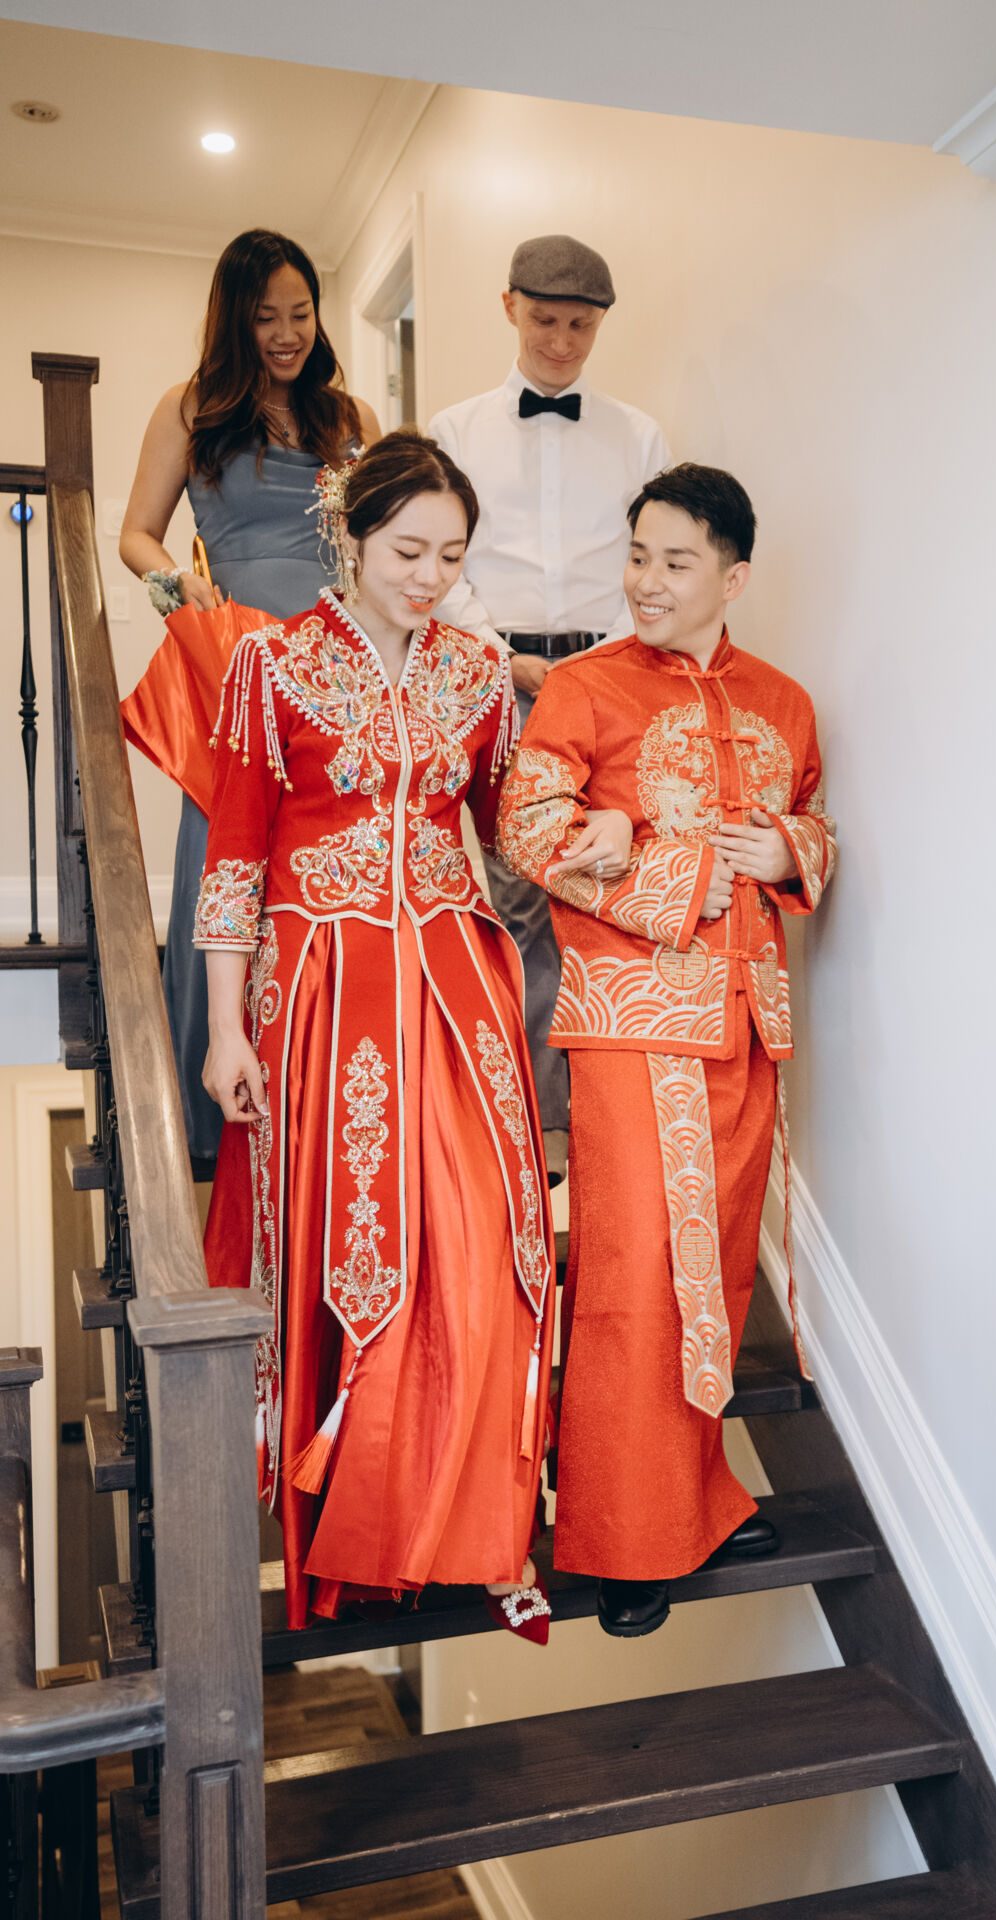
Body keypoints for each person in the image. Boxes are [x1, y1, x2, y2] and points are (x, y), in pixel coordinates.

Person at [198, 429, 555, 1637]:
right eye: (408, 550)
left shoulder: (478, 673)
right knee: (361, 1252)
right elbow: (235, 858)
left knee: (484, 1238)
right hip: (323, 989)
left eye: (451, 555)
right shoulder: (270, 667)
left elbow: (516, 832)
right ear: (349, 537)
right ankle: (365, 1532)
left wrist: (608, 832)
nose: (429, 576)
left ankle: (483, 1527)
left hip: (458, 983)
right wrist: (225, 1030)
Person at [496, 464, 836, 1636]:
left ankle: (695, 1495)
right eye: (636, 555)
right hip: (631, 1021)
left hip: (745, 1021)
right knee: (635, 1275)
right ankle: (622, 1533)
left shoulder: (784, 701)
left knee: (715, 1276)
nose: (645, 580)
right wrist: (678, 871)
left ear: (731, 577)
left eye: (674, 561)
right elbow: (526, 829)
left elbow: (810, 819)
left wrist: (787, 852)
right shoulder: (581, 688)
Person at [119, 228, 380, 1174]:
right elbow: (137, 535)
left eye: (300, 313)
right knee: (229, 855)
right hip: (243, 662)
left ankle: (332, 1074)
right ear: (235, 321)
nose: (286, 333)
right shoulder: (189, 408)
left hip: (344, 661)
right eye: (266, 317)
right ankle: (220, 1106)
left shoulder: (351, 415)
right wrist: (180, 591)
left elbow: (385, 534)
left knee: (340, 855)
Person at [428, 235, 671, 1182]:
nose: (562, 342)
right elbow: (440, 559)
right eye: (544, 320)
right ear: (508, 308)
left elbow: (652, 560)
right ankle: (536, 1118)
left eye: (580, 325)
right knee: (518, 894)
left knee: (607, 888)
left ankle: (611, 1112)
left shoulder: (639, 436)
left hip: (611, 678)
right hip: (496, 678)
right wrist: (503, 657)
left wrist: (601, 661)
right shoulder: (453, 430)